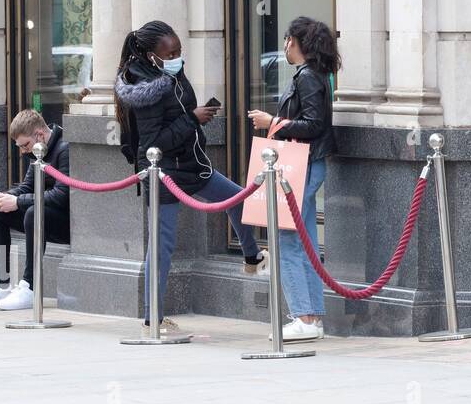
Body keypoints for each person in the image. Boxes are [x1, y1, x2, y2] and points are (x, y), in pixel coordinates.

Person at [114, 20, 267, 338]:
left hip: (193, 165)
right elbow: (152, 142)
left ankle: (251, 257)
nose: (177, 57)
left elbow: (178, 115)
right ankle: (151, 319)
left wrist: (196, 114)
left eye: (179, 50)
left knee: (238, 198)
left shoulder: (171, 74)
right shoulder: (147, 88)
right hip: (164, 173)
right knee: (162, 246)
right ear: (152, 55)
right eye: (171, 53)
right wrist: (192, 119)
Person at [247, 17, 338, 343]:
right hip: (307, 165)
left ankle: (304, 316)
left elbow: (313, 125)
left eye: (288, 39)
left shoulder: (308, 78)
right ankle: (310, 316)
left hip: (302, 166)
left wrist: (273, 121)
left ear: (297, 44)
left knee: (287, 240)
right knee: (306, 241)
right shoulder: (314, 76)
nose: (285, 45)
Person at [0, 109, 71, 311]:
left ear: (39, 134)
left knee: (32, 213)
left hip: (70, 223)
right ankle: (1, 283)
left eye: (25, 145)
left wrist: (18, 201)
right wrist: (5, 197)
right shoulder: (39, 149)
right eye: (20, 147)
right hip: (46, 216)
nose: (23, 151)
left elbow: (61, 196)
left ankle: (30, 287)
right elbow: (26, 187)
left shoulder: (64, 148)